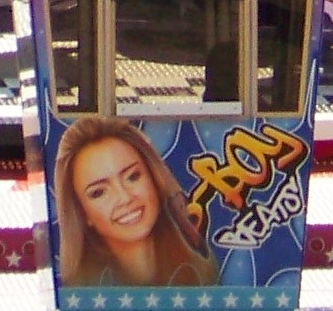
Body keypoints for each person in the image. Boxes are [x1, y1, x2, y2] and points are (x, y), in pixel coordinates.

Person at [52, 118, 217, 288]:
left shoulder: (207, 274)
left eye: (133, 176)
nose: (125, 198)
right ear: (81, 212)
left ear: (154, 177)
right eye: (99, 192)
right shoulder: (79, 293)